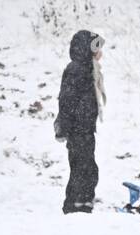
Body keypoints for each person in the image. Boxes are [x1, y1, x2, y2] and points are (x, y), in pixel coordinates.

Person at [55, 30, 105, 214]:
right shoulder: (76, 69)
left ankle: (84, 201)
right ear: (88, 49)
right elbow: (66, 100)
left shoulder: (89, 69)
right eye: (98, 48)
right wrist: (64, 128)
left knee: (87, 167)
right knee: (81, 167)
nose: (101, 53)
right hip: (77, 129)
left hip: (85, 128)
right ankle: (74, 204)